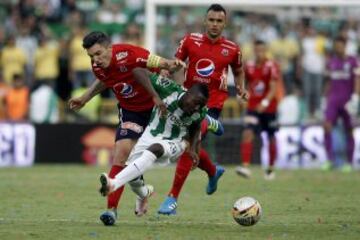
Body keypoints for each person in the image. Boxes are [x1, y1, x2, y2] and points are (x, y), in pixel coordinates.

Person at [68, 31, 184, 226]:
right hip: (131, 112)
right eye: (91, 57)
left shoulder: (129, 53)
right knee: (121, 155)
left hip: (156, 108)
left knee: (139, 160)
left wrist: (171, 65)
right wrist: (85, 97)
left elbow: (158, 62)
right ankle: (111, 210)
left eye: (98, 54)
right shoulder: (98, 66)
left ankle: (145, 193)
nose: (95, 60)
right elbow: (106, 80)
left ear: (109, 48)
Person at [158, 4, 248, 215]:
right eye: (212, 20)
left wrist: (241, 88)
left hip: (212, 105)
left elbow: (239, 70)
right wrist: (165, 71)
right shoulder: (190, 40)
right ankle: (212, 170)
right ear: (205, 21)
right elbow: (176, 61)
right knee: (190, 148)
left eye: (219, 21)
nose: (215, 24)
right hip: (188, 101)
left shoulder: (232, 49)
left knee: (188, 144)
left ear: (224, 24)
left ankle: (172, 199)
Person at [99, 68, 211, 214]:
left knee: (156, 149)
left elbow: (196, 127)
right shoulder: (169, 88)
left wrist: (193, 148)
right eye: (196, 102)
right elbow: (138, 71)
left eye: (200, 106)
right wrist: (155, 96)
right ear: (187, 92)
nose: (196, 108)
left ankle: (113, 183)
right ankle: (145, 194)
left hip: (176, 142)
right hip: (149, 135)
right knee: (134, 178)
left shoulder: (200, 111)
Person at [235, 40, 280, 180]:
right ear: (254, 50)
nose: (259, 53)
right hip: (253, 107)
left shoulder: (271, 65)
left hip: (269, 108)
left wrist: (265, 102)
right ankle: (245, 166)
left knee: (271, 137)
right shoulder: (249, 65)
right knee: (247, 132)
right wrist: (241, 94)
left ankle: (270, 168)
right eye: (257, 50)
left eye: (262, 50)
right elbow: (246, 83)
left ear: (265, 50)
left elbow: (273, 88)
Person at [322, 36, 360, 172]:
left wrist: (356, 96)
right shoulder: (331, 62)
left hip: (347, 101)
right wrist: (324, 98)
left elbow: (357, 79)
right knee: (326, 126)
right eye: (336, 46)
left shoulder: (353, 61)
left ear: (345, 46)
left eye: (340, 46)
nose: (338, 48)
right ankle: (329, 160)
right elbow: (328, 82)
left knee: (349, 130)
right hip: (333, 100)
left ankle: (348, 163)